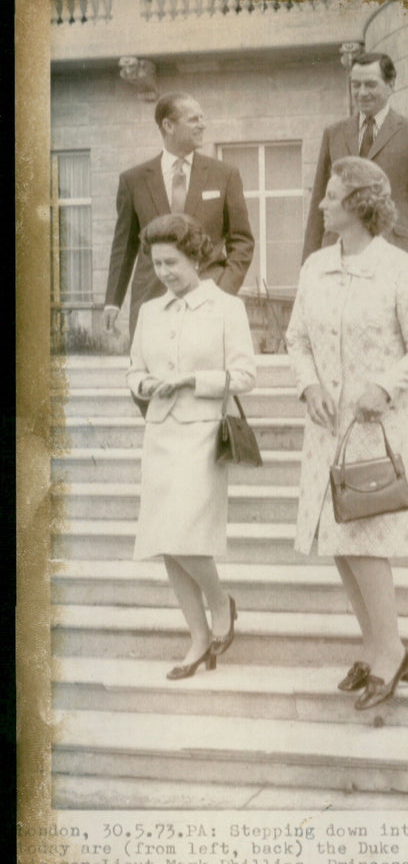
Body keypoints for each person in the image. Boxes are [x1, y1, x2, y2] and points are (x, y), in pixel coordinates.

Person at [287, 157, 408, 710]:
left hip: (378, 426)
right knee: (338, 542)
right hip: (327, 426)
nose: (322, 204)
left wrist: (385, 386)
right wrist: (308, 386)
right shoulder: (315, 267)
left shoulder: (401, 270)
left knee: (365, 541)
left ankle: (391, 651)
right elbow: (296, 340)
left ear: (359, 205)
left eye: (331, 196)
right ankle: (376, 646)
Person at [127, 213, 257, 679]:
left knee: (185, 533)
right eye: (157, 263)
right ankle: (198, 639)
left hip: (202, 436)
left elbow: (245, 375)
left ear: (196, 259)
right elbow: (134, 371)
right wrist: (144, 384)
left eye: (173, 263)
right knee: (166, 541)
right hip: (160, 435)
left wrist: (191, 380)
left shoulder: (226, 308)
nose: (164, 272)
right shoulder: (149, 311)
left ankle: (220, 602)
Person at [105, 92, 254, 341]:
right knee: (150, 365)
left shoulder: (225, 175)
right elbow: (124, 247)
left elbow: (242, 241)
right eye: (193, 119)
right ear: (168, 125)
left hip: (208, 301)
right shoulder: (134, 180)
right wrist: (113, 300)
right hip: (151, 301)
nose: (202, 125)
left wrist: (223, 290)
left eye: (202, 118)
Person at [302, 51, 408, 287]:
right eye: (355, 85)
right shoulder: (333, 134)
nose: (362, 92)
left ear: (391, 85)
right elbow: (319, 200)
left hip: (394, 249)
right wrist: (307, 264)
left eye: (370, 84)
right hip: (337, 251)